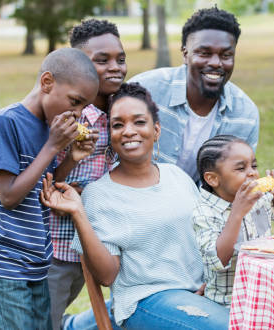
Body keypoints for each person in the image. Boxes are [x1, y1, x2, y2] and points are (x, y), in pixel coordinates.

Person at [42, 83, 230, 329]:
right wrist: (79, 213)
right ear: (111, 134)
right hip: (145, 301)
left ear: (157, 130)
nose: (128, 131)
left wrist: (209, 283)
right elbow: (107, 276)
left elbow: (205, 237)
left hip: (199, 292)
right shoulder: (100, 194)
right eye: (118, 125)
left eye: (139, 122)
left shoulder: (178, 177)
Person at [0, 48, 99, 329]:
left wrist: (70, 158)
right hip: (3, 259)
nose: (76, 114)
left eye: (83, 107)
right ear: (47, 82)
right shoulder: (8, 122)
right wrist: (53, 146)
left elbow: (42, 190)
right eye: (74, 102)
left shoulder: (48, 126)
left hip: (35, 258)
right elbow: (10, 196)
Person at [47, 19, 127, 330]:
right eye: (102, 60)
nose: (115, 68)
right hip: (57, 244)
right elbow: (47, 176)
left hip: (93, 242)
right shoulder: (68, 118)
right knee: (44, 319)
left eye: (120, 59)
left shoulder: (119, 114)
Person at [129, 7, 259, 184]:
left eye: (226, 55)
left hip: (204, 208)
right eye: (204, 53)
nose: (215, 63)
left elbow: (238, 181)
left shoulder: (245, 114)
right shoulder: (144, 90)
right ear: (185, 54)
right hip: (138, 198)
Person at [193, 135, 274, 306]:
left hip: (263, 291)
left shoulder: (257, 198)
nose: (252, 172)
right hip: (227, 301)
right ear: (213, 178)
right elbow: (218, 261)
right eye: (240, 168)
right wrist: (237, 212)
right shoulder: (204, 213)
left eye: (253, 165)